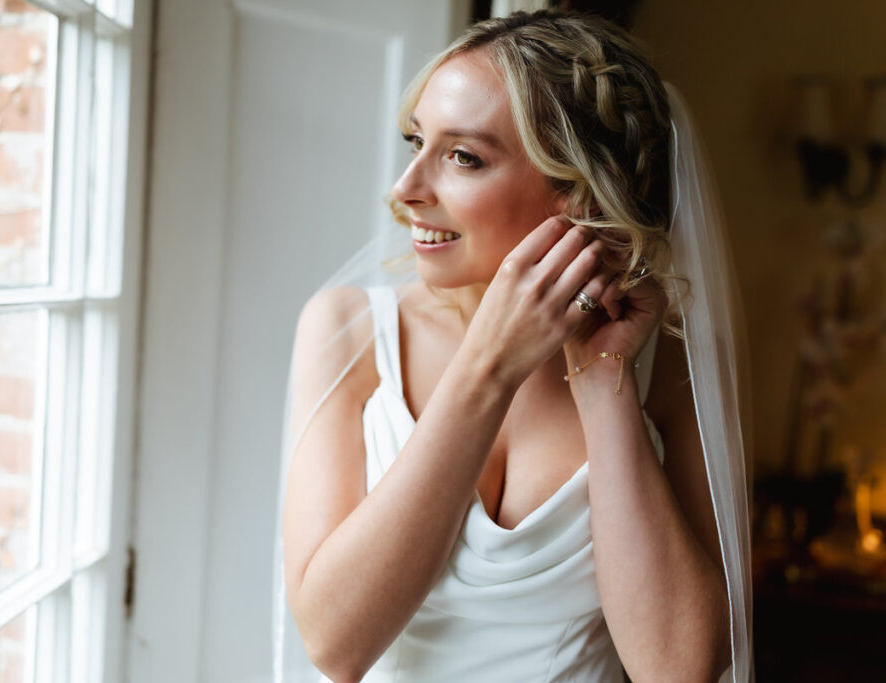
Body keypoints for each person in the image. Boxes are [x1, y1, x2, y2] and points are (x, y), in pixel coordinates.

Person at [276, 10, 752, 683]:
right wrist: (488, 366)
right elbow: (334, 643)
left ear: (578, 193)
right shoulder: (347, 330)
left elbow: (678, 668)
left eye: (463, 157)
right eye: (417, 142)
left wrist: (605, 382)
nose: (406, 190)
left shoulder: (671, 360)